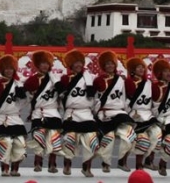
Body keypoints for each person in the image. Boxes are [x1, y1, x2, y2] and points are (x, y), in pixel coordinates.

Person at [57, 49, 98, 177]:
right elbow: (59, 95)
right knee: (70, 139)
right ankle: (67, 165)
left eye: (80, 62)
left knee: (91, 140)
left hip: (86, 113)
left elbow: (95, 96)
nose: (79, 65)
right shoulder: (65, 79)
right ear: (71, 65)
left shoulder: (90, 78)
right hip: (71, 114)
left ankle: (86, 167)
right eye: (75, 63)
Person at [93, 50, 135, 173]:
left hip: (120, 113)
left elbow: (131, 96)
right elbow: (94, 98)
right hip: (105, 113)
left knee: (130, 135)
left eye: (112, 63)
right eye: (107, 64)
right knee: (109, 136)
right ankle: (105, 163)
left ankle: (122, 161)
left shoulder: (123, 80)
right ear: (103, 66)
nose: (110, 66)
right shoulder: (98, 80)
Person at [24, 50, 61, 174]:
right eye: (42, 63)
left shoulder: (55, 80)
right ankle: (38, 163)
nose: (45, 66)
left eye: (47, 63)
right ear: (38, 65)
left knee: (53, 139)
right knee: (38, 139)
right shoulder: (31, 81)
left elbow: (62, 92)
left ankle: (52, 164)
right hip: (38, 113)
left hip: (53, 112)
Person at [0, 55, 26, 176]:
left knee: (19, 142)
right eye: (6, 68)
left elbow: (23, 100)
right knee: (5, 142)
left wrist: (20, 87)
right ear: (2, 69)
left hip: (15, 117)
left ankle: (15, 169)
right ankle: (4, 168)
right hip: (1, 118)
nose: (9, 71)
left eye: (11, 68)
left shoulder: (18, 84)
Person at [125, 57, 160, 171]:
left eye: (142, 67)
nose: (141, 69)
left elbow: (154, 101)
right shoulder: (128, 82)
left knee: (158, 135)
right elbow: (124, 99)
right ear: (133, 70)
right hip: (134, 114)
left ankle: (149, 161)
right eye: (138, 67)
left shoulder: (149, 83)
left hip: (148, 114)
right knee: (142, 139)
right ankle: (138, 165)